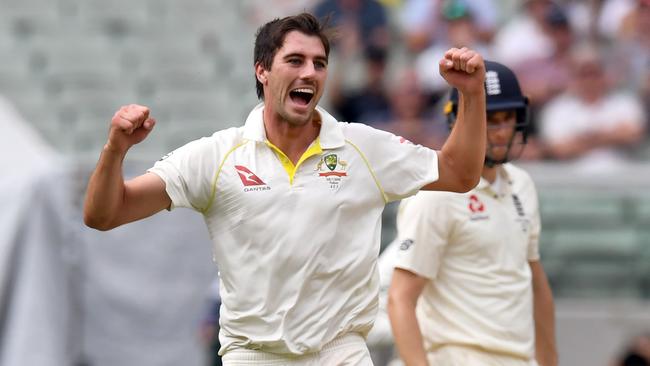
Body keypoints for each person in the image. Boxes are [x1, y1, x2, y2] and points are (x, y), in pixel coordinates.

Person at [83, 13, 487, 365]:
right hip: (253, 355)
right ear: (262, 70)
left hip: (340, 352)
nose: (309, 72)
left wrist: (470, 94)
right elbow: (105, 214)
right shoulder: (216, 155)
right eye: (295, 60)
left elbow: (459, 172)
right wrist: (115, 149)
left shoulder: (363, 148)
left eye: (319, 63)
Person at [387, 61, 558, 366]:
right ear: (459, 120)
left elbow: (535, 282)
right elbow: (401, 298)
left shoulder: (522, 184)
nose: (501, 131)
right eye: (490, 119)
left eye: (508, 118)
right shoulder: (435, 194)